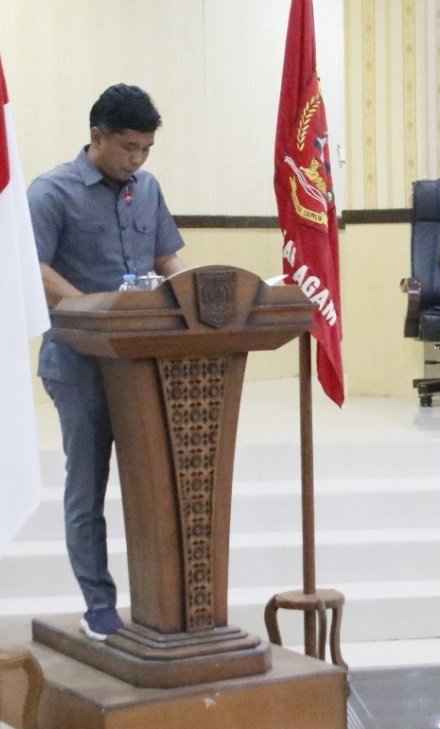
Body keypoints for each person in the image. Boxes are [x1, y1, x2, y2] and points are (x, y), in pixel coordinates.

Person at [29, 84, 186, 641]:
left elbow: (167, 259)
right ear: (96, 136)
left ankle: (165, 600)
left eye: (146, 149)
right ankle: (98, 604)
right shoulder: (51, 192)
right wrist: (94, 313)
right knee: (88, 484)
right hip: (79, 364)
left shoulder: (148, 189)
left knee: (156, 481)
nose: (137, 159)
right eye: (128, 147)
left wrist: (197, 294)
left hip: (143, 363)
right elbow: (33, 269)